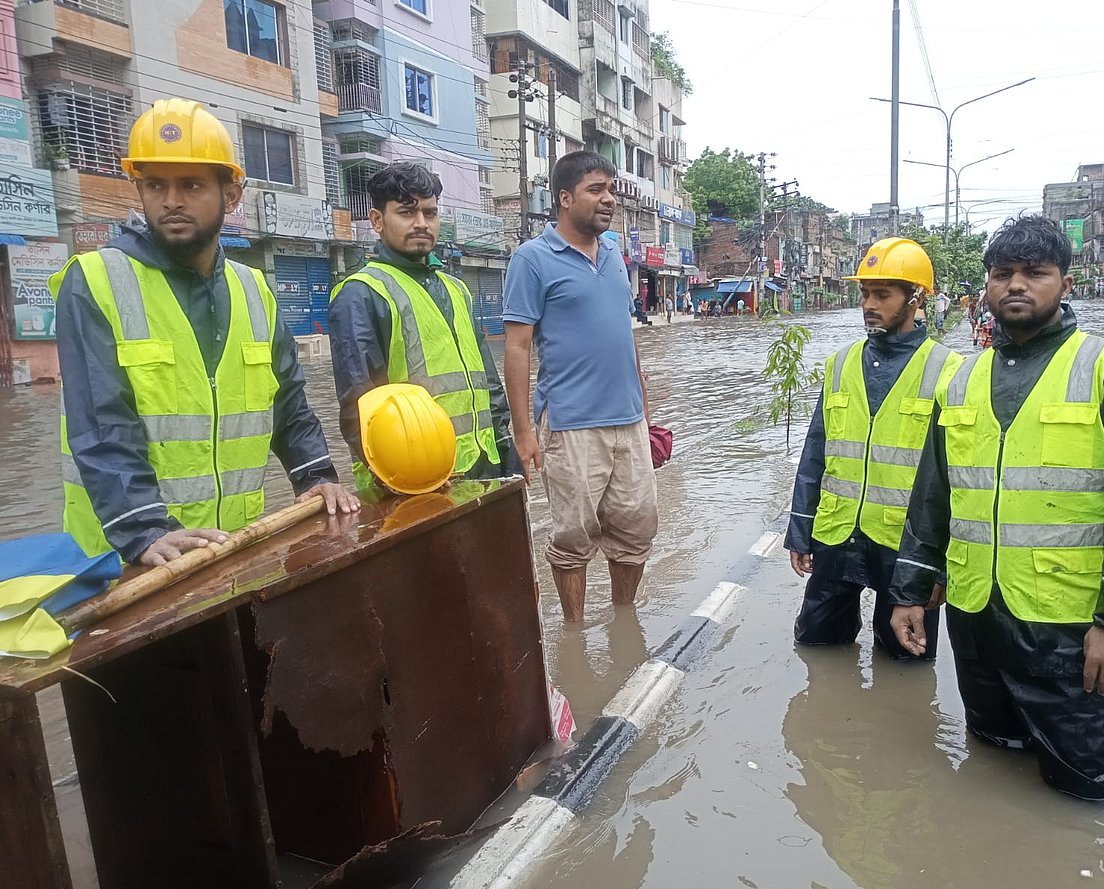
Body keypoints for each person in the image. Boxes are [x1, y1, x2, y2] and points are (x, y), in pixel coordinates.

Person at [890, 215, 1104, 800]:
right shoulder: (960, 379)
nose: (1017, 285)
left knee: (1084, 791)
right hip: (974, 617)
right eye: (1003, 274)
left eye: (1036, 273)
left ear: (1065, 284)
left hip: (1068, 629)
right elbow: (932, 498)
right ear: (986, 287)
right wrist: (909, 593)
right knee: (989, 762)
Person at [53, 98, 358, 566]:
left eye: (191, 185)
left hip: (233, 546)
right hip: (129, 561)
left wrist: (316, 476)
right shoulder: (94, 281)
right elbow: (100, 422)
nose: (171, 201)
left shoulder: (254, 288)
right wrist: (143, 530)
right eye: (155, 184)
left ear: (231, 194)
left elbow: (288, 405)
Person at [786, 238, 962, 658]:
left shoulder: (949, 371)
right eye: (865, 293)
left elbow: (958, 479)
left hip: (906, 544)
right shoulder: (841, 363)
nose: (868, 303)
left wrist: (940, 565)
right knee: (816, 644)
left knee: (906, 658)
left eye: (882, 294)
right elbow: (815, 452)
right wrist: (800, 529)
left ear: (917, 297)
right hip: (837, 533)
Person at [503, 151, 658, 621]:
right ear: (565, 199)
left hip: (629, 423)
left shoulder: (613, 252)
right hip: (570, 426)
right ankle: (573, 635)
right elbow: (517, 348)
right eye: (596, 189)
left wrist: (646, 413)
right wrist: (524, 432)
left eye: (611, 189)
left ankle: (623, 621)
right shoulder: (532, 259)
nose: (608, 198)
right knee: (572, 540)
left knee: (636, 532)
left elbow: (623, 332)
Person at [328, 162, 520, 491]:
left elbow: (487, 379)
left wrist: (505, 444)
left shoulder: (455, 288)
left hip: (481, 463)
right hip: (414, 481)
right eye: (406, 212)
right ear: (377, 220)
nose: (421, 224)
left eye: (430, 213)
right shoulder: (361, 294)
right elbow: (358, 404)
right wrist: (394, 480)